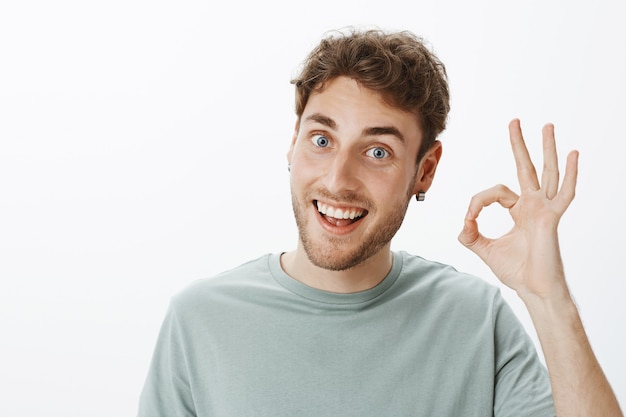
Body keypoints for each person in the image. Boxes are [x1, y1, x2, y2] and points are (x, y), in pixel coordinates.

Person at [137, 28, 623, 416]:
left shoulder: (476, 320)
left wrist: (548, 298)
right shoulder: (199, 321)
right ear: (294, 141)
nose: (338, 179)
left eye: (377, 151)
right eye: (322, 139)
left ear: (424, 170)